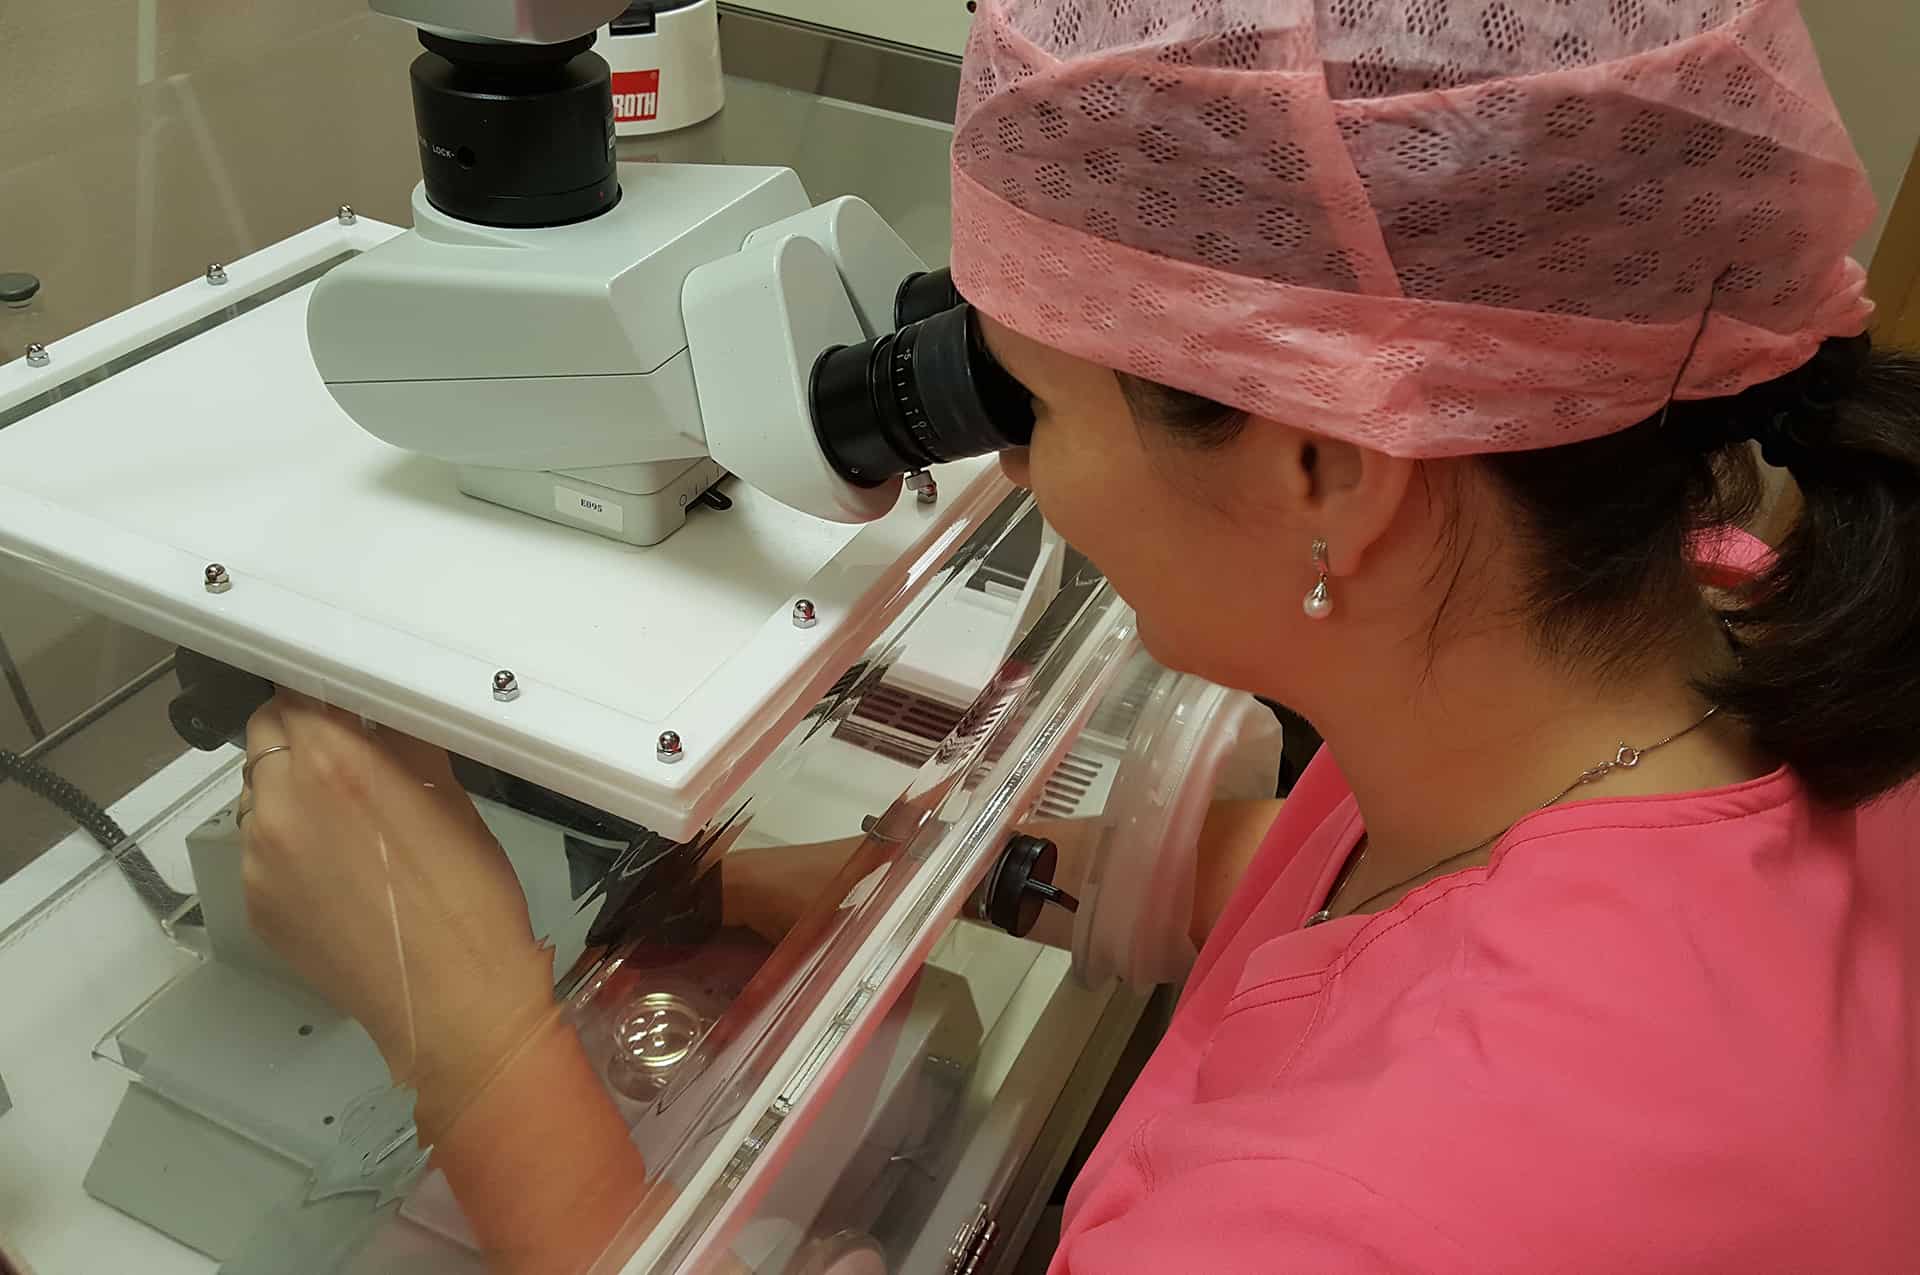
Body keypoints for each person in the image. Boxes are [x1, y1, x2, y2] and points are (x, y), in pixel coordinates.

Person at [238, 1, 1920, 1270]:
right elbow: (1359, 904)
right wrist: (860, 886)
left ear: (1327, 466)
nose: (1014, 467)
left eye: (1028, 402)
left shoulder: (1361, 1225)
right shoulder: (1703, 614)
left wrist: (471, 1033)